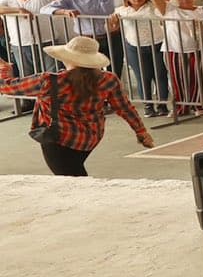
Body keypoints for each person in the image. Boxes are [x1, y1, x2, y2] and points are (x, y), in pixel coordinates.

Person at [0, 35, 154, 175]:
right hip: (90, 138)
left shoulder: (49, 81)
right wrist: (141, 131)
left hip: (59, 139)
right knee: (75, 172)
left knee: (74, 182)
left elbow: (6, 87)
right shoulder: (108, 79)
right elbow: (125, 108)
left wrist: (4, 71)